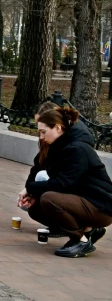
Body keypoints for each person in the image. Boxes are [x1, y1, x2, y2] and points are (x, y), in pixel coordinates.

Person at [20, 107, 112, 258]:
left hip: (100, 206)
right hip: (82, 200)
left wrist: (32, 188)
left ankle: (81, 241)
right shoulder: (58, 145)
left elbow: (64, 184)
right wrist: (29, 191)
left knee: (49, 199)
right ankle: (88, 231)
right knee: (35, 208)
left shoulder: (77, 148)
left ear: (57, 127)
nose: (41, 137)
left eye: (43, 132)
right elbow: (38, 166)